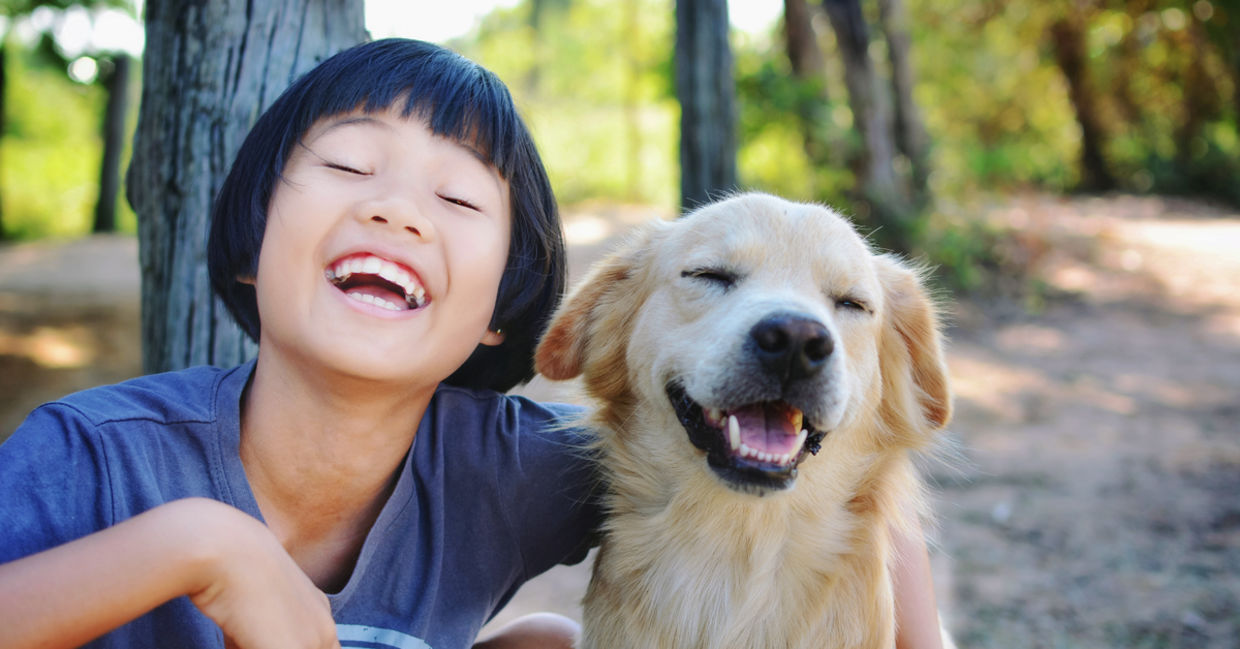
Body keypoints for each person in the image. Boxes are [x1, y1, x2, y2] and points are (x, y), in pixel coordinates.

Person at [0, 38, 946, 649]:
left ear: (510, 306)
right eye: (347, 166)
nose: (396, 211)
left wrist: (917, 632)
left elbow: (844, 462)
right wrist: (204, 547)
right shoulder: (84, 460)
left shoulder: (527, 469)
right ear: (248, 239)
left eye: (456, 200)